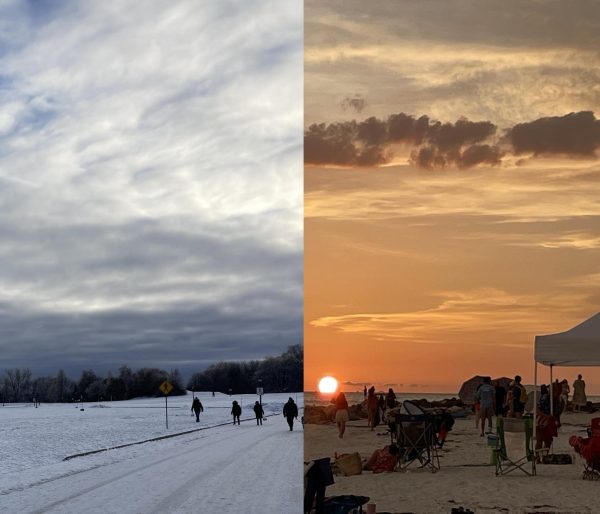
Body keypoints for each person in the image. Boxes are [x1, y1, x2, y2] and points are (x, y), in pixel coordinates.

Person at [535, 384, 558, 462]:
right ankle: (537, 457)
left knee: (548, 440)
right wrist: (546, 416)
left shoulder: (557, 400)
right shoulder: (545, 397)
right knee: (540, 439)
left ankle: (544, 456)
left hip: (550, 421)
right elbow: (537, 409)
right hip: (541, 420)